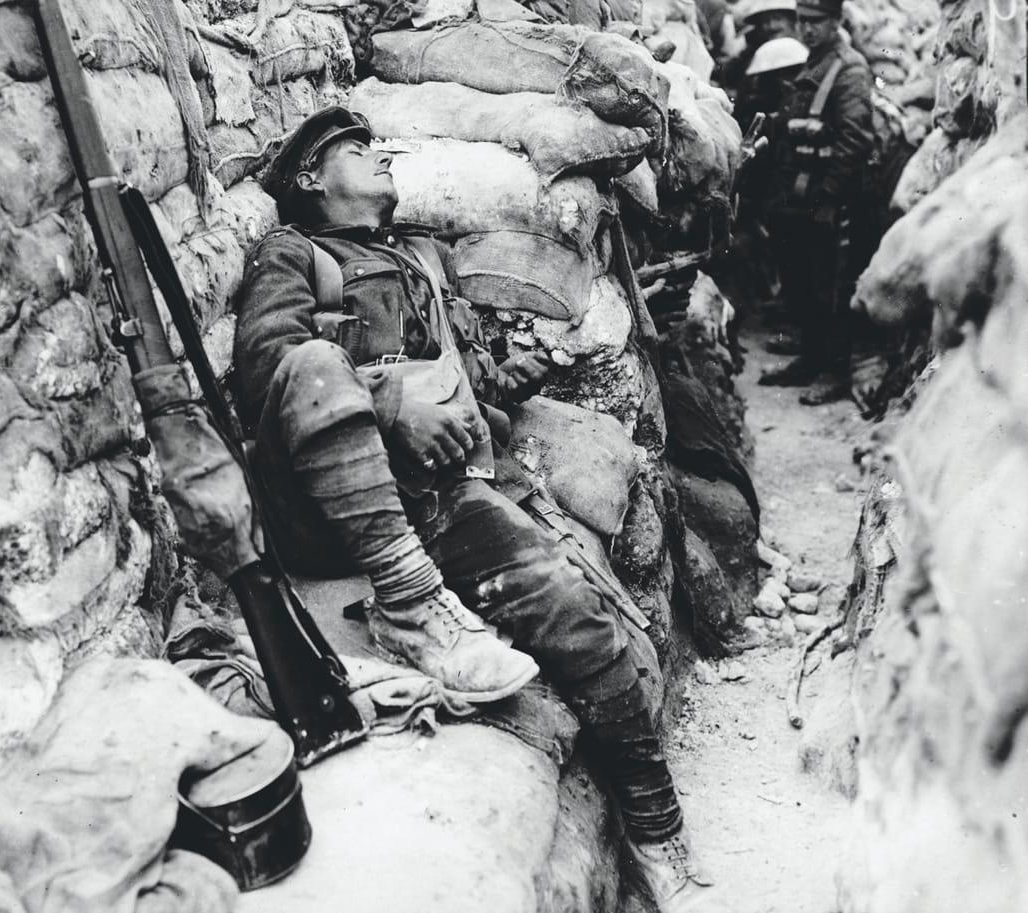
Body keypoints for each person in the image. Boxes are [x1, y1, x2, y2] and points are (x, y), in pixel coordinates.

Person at [233, 106, 730, 913]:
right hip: (326, 506)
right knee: (317, 362)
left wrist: (508, 376)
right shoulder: (297, 255)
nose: (382, 155)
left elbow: (462, 391)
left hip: (437, 497)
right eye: (358, 150)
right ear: (311, 180)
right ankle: (409, 602)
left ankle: (653, 822)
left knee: (581, 616)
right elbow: (268, 368)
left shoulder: (424, 259)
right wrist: (388, 398)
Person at [757, 0, 873, 404]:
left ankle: (835, 371)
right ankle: (809, 359)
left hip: (826, 199)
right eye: (802, 22)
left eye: (815, 22)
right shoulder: (815, 63)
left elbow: (855, 140)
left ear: (836, 21)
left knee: (831, 289)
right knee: (801, 284)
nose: (806, 30)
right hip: (796, 196)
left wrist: (829, 199)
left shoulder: (849, 68)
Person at [718, 0, 797, 91]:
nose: (772, 26)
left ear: (793, 20)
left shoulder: (807, 52)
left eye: (777, 18)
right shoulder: (753, 53)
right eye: (766, 21)